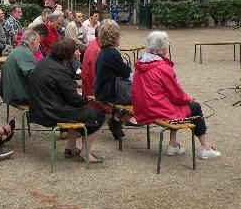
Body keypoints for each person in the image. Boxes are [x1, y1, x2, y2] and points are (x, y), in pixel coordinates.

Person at [132, 31, 221, 159]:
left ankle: (173, 144)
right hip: (155, 109)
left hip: (143, 108)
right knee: (194, 107)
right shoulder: (162, 68)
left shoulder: (141, 62)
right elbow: (177, 96)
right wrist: (187, 97)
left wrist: (183, 98)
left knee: (178, 105)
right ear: (163, 49)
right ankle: (205, 147)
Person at [29, 38, 105, 163]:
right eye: (74, 51)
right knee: (97, 114)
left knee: (76, 110)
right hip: (49, 111)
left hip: (39, 107)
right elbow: (73, 99)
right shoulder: (60, 71)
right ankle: (85, 154)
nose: (76, 53)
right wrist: (86, 99)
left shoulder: (45, 62)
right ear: (67, 55)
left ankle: (71, 147)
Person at [94, 19, 135, 130]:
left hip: (100, 90)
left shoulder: (103, 51)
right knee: (142, 96)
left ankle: (116, 119)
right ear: (114, 37)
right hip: (107, 93)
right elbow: (126, 72)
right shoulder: (112, 53)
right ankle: (117, 120)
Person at [1, 30, 39, 107]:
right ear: (33, 41)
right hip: (18, 97)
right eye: (39, 41)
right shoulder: (25, 53)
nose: (39, 44)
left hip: (8, 94)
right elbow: (34, 77)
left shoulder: (18, 50)